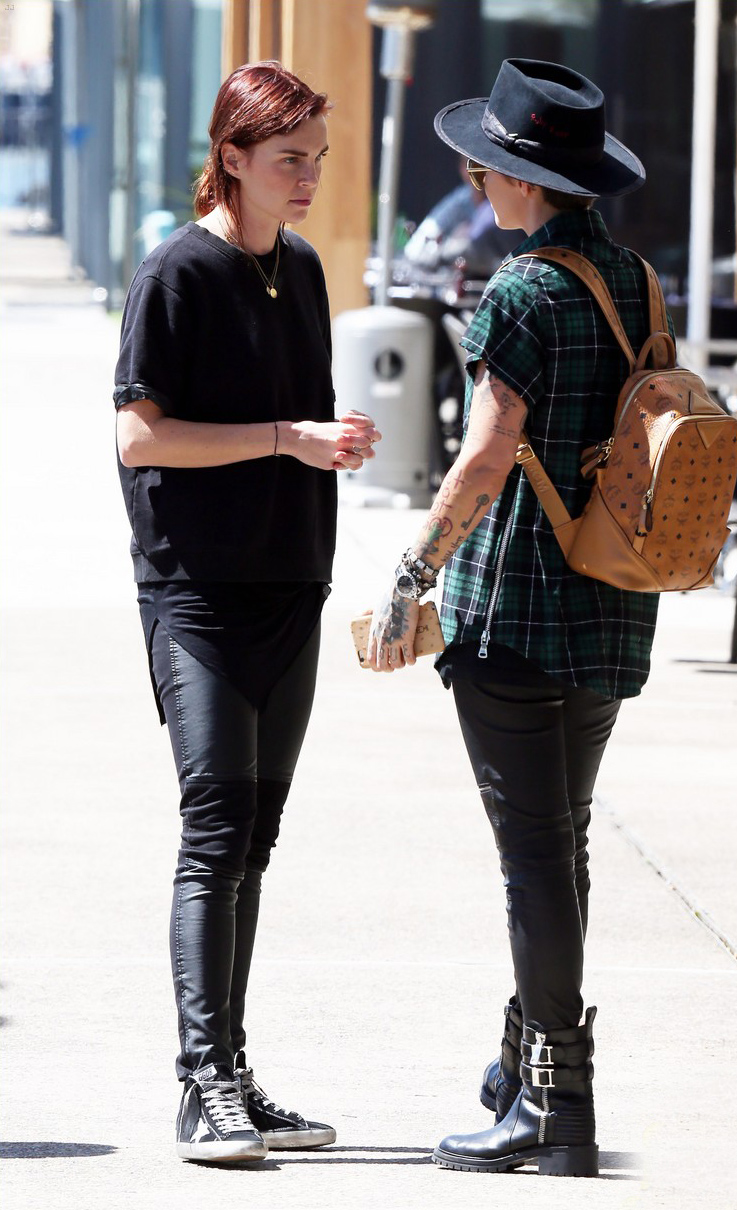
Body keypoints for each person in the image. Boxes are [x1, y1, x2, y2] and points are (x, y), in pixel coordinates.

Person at [367, 59, 664, 1176]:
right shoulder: (635, 278)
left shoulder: (523, 290)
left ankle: (554, 1104)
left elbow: (486, 455)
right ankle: (521, 1066)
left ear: (519, 177)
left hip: (520, 610)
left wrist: (413, 574)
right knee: (560, 841)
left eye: (481, 162)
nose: (467, 176)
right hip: (612, 602)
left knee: (533, 856)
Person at [114, 61, 381, 1164]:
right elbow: (139, 438)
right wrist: (285, 438)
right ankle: (198, 1083)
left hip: (289, 587)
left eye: (317, 157)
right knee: (214, 828)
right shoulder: (176, 272)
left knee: (254, 843)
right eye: (289, 159)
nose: (309, 177)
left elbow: (299, 415)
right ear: (231, 157)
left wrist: (330, 442)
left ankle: (233, 1073)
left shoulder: (305, 268)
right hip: (199, 595)